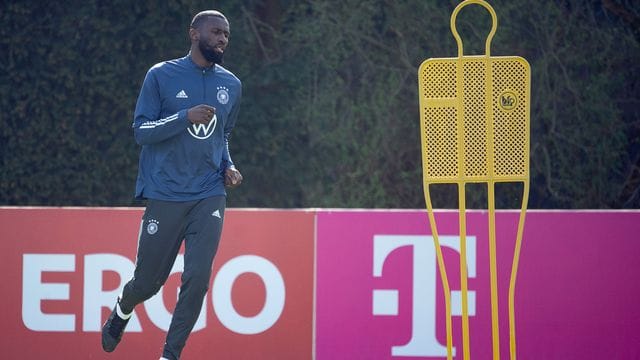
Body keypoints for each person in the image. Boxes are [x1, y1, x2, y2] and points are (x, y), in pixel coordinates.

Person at [101, 10, 243, 360]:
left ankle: (170, 354)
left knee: (198, 279)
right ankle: (123, 308)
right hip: (165, 193)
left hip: (209, 193)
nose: (223, 38)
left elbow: (222, 135)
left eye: (226, 34)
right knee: (148, 284)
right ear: (194, 33)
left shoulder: (232, 85)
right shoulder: (161, 76)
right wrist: (184, 116)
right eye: (216, 32)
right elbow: (141, 132)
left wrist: (228, 165)